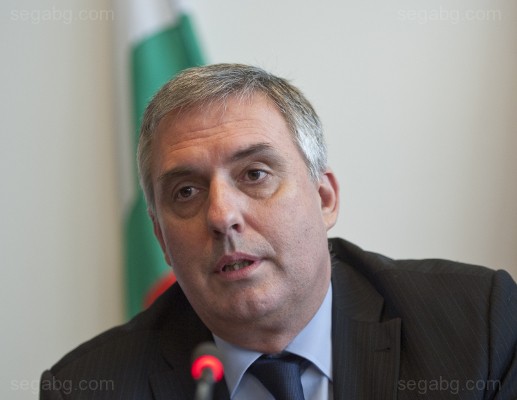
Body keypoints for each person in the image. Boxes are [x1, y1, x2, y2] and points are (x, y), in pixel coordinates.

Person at [40, 64, 517, 400]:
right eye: (186, 192)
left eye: (255, 174)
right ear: (162, 240)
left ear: (324, 198)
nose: (221, 215)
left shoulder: (478, 326)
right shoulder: (86, 389)